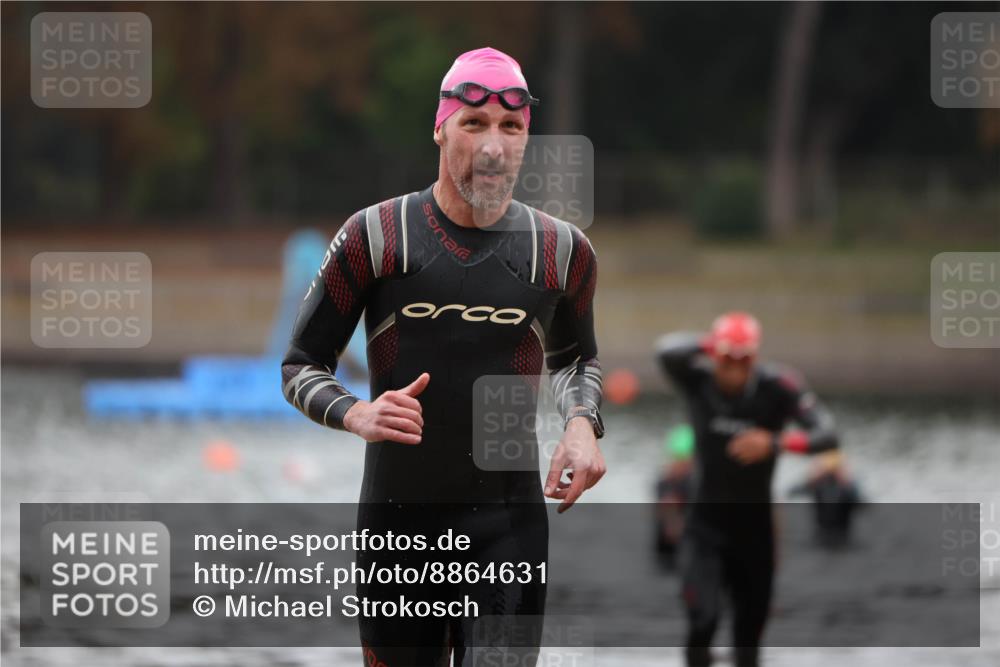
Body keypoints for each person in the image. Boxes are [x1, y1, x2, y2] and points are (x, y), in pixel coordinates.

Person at [282, 47, 606, 666]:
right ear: (440, 127)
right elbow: (300, 364)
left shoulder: (562, 252)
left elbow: (575, 361)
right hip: (397, 530)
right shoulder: (375, 235)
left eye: (511, 128)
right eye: (474, 123)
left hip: (507, 530)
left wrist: (582, 426)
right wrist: (355, 413)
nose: (493, 146)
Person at [655, 312, 838, 667]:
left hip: (754, 533)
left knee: (748, 641)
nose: (736, 369)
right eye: (727, 358)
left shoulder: (778, 387)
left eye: (745, 359)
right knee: (702, 619)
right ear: (714, 355)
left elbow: (827, 434)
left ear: (756, 358)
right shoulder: (697, 379)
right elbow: (666, 350)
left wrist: (775, 442)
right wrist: (714, 343)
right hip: (704, 527)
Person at [788, 449, 864, 548]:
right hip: (820, 535)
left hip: (843, 536)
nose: (830, 473)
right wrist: (811, 479)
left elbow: (863, 504)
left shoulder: (847, 485)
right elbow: (792, 492)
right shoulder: (817, 483)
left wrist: (848, 483)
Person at [655, 425, 695, 569]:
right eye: (678, 460)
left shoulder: (696, 484)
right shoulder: (665, 484)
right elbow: (672, 529)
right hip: (673, 552)